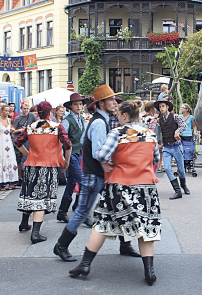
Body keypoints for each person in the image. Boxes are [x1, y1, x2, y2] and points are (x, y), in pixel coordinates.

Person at [69, 100, 161, 286]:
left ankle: (85, 265)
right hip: (145, 187)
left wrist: (108, 163)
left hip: (119, 185)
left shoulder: (117, 133)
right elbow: (155, 158)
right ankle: (149, 272)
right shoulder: (150, 134)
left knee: (102, 223)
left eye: (118, 115)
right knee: (146, 228)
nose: (117, 118)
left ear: (124, 116)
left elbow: (102, 155)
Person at [53, 85, 140, 262]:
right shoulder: (100, 122)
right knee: (89, 210)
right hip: (96, 175)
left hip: (96, 174)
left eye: (114, 99)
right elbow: (97, 153)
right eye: (110, 100)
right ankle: (61, 246)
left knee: (118, 206)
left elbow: (90, 144)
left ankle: (124, 245)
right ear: (101, 103)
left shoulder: (99, 119)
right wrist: (115, 162)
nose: (114, 103)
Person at [14, 101, 72, 244]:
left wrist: (28, 154)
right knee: (41, 198)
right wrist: (66, 161)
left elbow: (17, 142)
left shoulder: (30, 127)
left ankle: (24, 223)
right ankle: (35, 233)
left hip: (31, 165)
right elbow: (68, 145)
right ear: (50, 112)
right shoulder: (56, 127)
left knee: (29, 194)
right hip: (48, 167)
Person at [57, 93, 88, 223]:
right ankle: (84, 215)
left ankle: (62, 212)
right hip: (70, 154)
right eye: (76, 104)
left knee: (71, 183)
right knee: (82, 182)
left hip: (79, 153)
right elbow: (61, 138)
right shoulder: (67, 120)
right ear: (70, 106)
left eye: (80, 104)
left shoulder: (81, 118)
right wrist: (64, 157)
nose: (79, 106)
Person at [155, 97, 189, 199]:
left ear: (167, 107)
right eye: (160, 107)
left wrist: (177, 131)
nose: (161, 108)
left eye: (163, 106)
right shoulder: (159, 120)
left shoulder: (175, 116)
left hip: (176, 146)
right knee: (168, 168)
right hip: (166, 147)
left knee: (181, 170)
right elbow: (158, 132)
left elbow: (184, 125)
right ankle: (177, 190)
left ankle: (184, 185)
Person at [0, 104, 19, 190]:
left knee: (10, 160)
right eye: (5, 110)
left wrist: (11, 132)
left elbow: (9, 133)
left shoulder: (9, 120)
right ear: (2, 111)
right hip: (0, 143)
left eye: (8, 110)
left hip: (8, 144)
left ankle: (11, 182)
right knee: (0, 161)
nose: (7, 112)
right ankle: (1, 183)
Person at [12, 100, 37, 181]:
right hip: (20, 138)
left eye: (27, 108)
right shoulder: (18, 118)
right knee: (19, 159)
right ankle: (20, 177)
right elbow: (13, 130)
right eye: (24, 108)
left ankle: (28, 176)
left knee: (27, 156)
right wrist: (20, 130)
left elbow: (37, 123)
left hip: (29, 139)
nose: (26, 110)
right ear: (21, 109)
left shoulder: (31, 115)